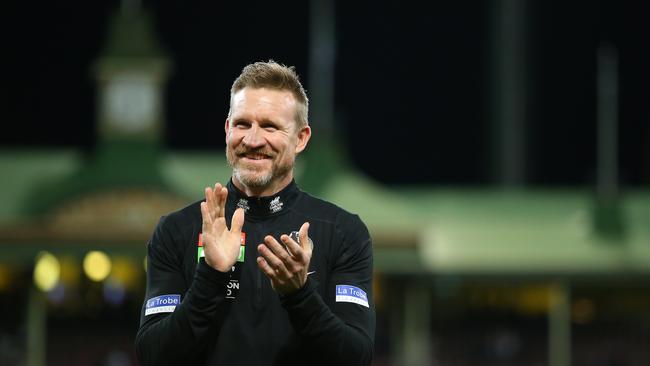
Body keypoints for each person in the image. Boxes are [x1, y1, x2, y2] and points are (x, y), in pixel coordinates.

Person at [135, 60, 375, 366]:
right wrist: (210, 276)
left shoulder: (343, 232)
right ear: (227, 130)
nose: (252, 140)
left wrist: (299, 294)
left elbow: (358, 357)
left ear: (300, 138)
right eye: (242, 124)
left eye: (270, 126)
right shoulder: (176, 230)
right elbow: (152, 355)